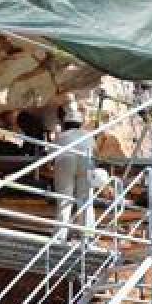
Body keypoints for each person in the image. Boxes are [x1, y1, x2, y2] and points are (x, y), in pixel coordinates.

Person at [52, 101, 92, 241]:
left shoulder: (61, 136)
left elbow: (51, 153)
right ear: (79, 124)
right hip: (85, 162)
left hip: (65, 161)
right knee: (84, 199)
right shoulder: (89, 135)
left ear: (66, 123)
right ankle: (86, 235)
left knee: (65, 199)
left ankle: (60, 236)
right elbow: (95, 152)